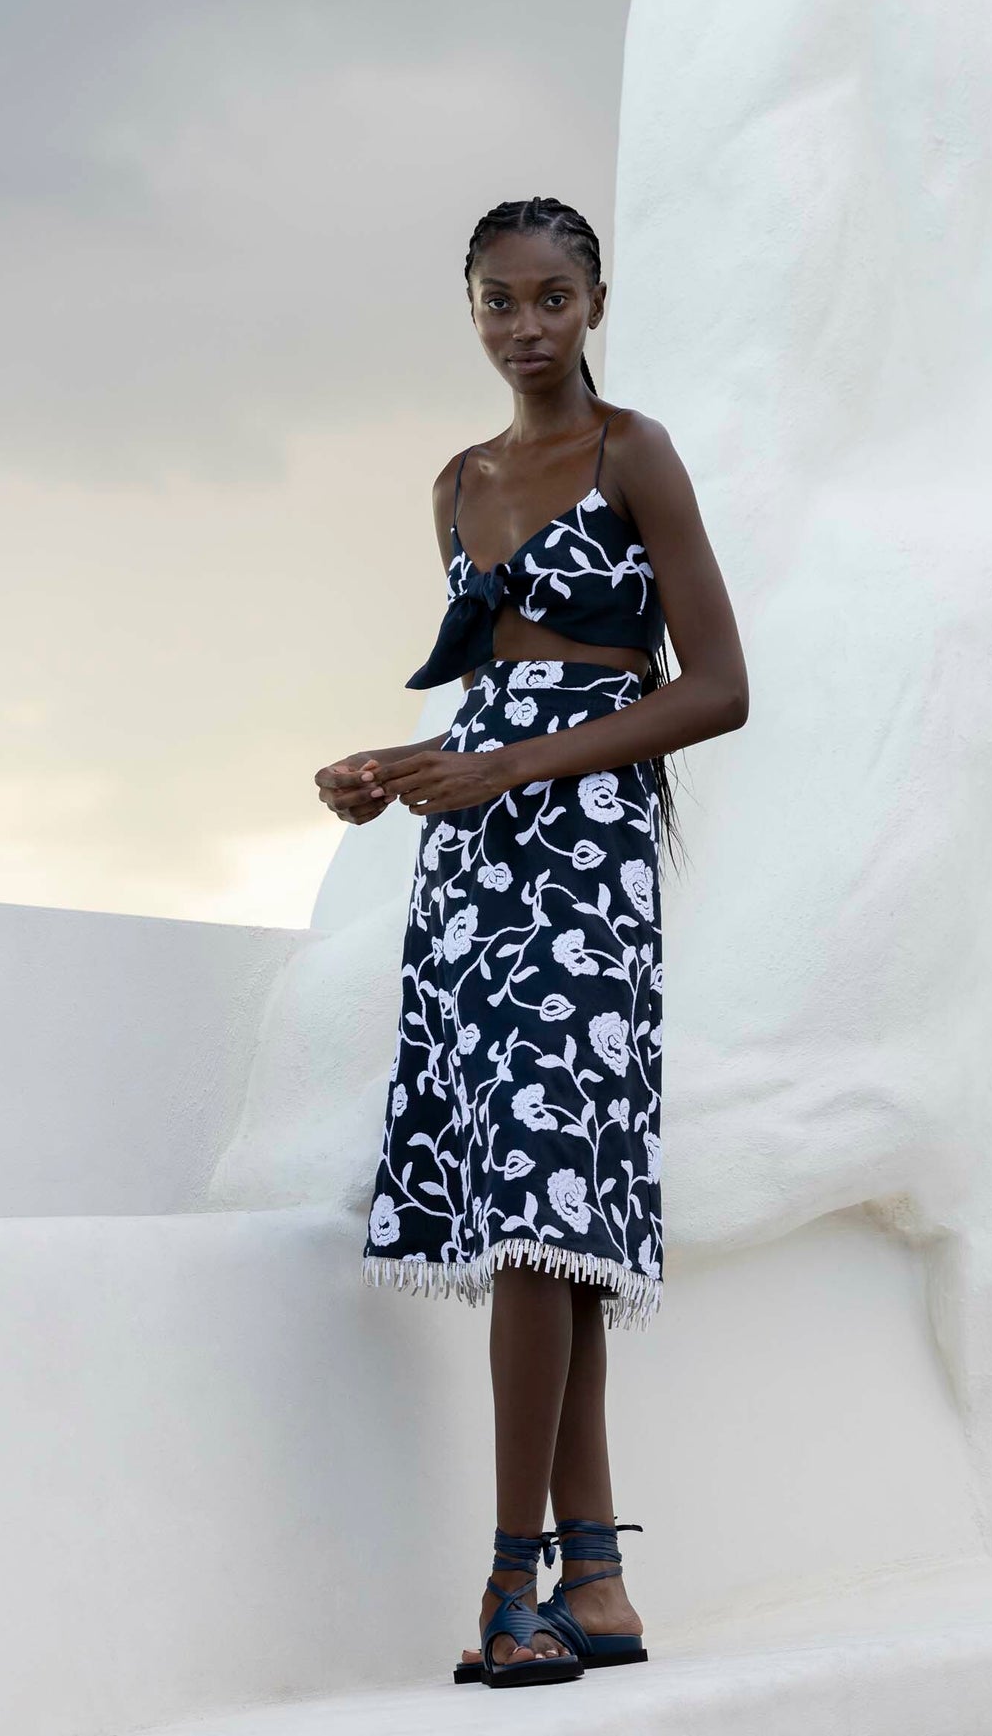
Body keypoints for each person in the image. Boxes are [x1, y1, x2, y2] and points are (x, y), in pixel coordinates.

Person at [314, 195, 747, 1689]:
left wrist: (505, 770)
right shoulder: (456, 483)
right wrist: (397, 770)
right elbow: (496, 701)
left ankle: (513, 1589)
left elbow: (717, 688)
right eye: (499, 301)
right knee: (534, 1214)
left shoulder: (635, 453)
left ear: (596, 299)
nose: (526, 324)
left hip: (587, 852)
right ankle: (600, 1584)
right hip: (476, 868)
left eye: (552, 296)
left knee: (543, 1209)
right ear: (475, 311)